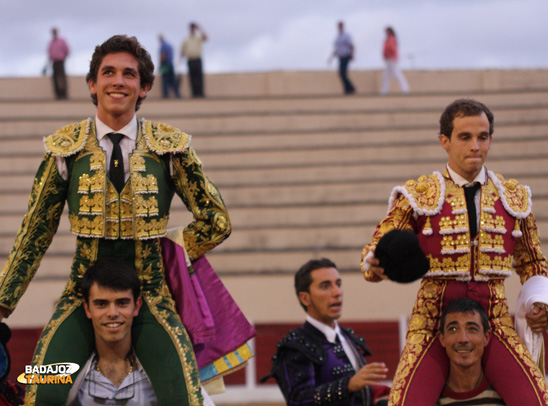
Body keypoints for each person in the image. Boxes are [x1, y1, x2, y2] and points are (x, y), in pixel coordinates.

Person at [0, 34, 231, 405]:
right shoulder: (65, 149)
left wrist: (172, 246)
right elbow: (34, 234)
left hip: (150, 298)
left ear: (145, 87)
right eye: (108, 72)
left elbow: (216, 220)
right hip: (82, 298)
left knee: (184, 399)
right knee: (41, 395)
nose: (118, 81)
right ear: (92, 84)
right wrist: (1, 303)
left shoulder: (170, 147)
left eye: (129, 74)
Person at [361, 98, 548, 405]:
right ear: (444, 142)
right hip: (432, 321)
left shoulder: (514, 197)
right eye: (465, 137)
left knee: (535, 400)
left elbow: (532, 262)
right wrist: (377, 264)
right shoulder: (418, 195)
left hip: (493, 319)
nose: (476, 145)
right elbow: (373, 252)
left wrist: (541, 303)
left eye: (483, 137)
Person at [264, 258, 390, 406]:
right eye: (325, 286)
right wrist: (347, 385)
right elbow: (298, 400)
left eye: (338, 284)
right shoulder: (295, 345)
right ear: (305, 298)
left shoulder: (347, 337)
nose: (337, 292)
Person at [437, 298, 503, 405]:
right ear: (442, 339)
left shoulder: (506, 397)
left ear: (486, 338)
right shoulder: (431, 400)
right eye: (453, 329)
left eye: (472, 329)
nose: (463, 339)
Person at [181, 22, 207, 98]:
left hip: (197, 59)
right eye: (191, 27)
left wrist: (200, 28)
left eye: (193, 27)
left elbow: (206, 37)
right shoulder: (186, 39)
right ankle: (194, 94)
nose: (192, 29)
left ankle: (200, 93)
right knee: (192, 78)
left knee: (199, 77)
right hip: (190, 60)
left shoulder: (198, 37)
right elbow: (183, 51)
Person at [380, 27, 409, 95]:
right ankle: (384, 91)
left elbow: (393, 49)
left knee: (397, 74)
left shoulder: (392, 39)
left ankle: (405, 89)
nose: (387, 33)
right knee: (385, 76)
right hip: (388, 60)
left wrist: (392, 55)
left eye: (389, 31)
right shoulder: (387, 40)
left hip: (392, 59)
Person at [332, 21, 356, 95]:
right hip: (340, 56)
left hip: (346, 55)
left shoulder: (346, 35)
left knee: (343, 73)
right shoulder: (338, 37)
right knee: (341, 74)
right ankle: (347, 89)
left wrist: (352, 54)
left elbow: (351, 45)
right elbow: (337, 48)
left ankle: (350, 88)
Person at [45, 27, 69, 99]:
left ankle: (64, 94)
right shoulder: (51, 43)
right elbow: (49, 53)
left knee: (62, 77)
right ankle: (57, 95)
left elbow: (67, 50)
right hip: (54, 62)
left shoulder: (61, 41)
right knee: (55, 78)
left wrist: (64, 58)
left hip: (61, 61)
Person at [158, 34, 181, 99]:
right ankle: (177, 93)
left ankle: (165, 95)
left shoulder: (162, 46)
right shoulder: (170, 45)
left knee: (165, 80)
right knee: (172, 80)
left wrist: (161, 64)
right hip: (170, 64)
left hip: (165, 64)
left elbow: (162, 55)